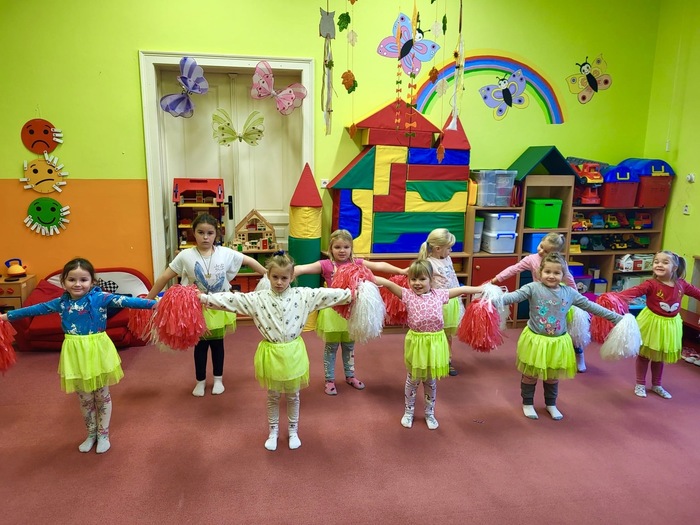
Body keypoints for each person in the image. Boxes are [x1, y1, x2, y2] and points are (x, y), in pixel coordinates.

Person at [0, 258, 156, 454]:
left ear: (92, 281)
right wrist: (5, 317)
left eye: (83, 279)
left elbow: (129, 301)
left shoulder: (101, 298)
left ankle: (103, 434)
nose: (77, 284)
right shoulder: (61, 302)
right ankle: (91, 434)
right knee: (84, 398)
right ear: (64, 282)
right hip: (74, 353)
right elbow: (34, 309)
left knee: (101, 395)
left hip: (98, 351)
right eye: (72, 279)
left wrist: (155, 304)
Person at [199, 252, 352, 451]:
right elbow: (233, 300)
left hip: (294, 354)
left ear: (292, 277)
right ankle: (273, 431)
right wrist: (204, 298)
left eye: (284, 278)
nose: (279, 282)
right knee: (273, 395)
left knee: (293, 395)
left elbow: (327, 295)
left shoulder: (303, 295)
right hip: (271, 354)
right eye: (275, 277)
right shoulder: (258, 298)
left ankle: (293, 431)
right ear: (268, 275)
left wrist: (351, 294)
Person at [147, 213, 266, 397]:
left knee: (217, 345)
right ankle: (200, 381)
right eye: (201, 232)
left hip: (218, 307)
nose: (205, 237)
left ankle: (218, 379)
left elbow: (249, 260)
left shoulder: (225, 253)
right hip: (196, 310)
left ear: (216, 234)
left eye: (210, 233)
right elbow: (164, 277)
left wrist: (269, 275)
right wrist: (149, 299)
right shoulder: (185, 256)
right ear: (193, 233)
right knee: (200, 346)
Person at [498, 253, 622, 421]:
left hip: (558, 342)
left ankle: (551, 404)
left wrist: (616, 318)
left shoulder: (569, 293)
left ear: (564, 275)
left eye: (556, 273)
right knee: (530, 374)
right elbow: (513, 297)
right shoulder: (532, 288)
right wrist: (491, 300)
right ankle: (527, 403)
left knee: (553, 376)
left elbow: (590, 306)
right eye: (547, 272)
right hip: (536, 340)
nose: (551, 276)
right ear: (540, 272)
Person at [294, 229, 407, 395]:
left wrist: (402, 271)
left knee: (349, 346)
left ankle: (350, 376)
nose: (342, 250)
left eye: (346, 247)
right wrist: (286, 274)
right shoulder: (326, 265)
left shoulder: (357, 264)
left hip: (351, 313)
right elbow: (302, 268)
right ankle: (329, 380)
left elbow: (379, 265)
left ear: (351, 248)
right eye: (337, 247)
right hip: (332, 314)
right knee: (331, 348)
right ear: (331, 248)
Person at [375, 260, 483, 430]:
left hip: (435, 343)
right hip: (417, 343)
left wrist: (481, 289)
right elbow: (387, 283)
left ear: (431, 280)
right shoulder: (407, 295)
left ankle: (429, 413)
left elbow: (462, 290)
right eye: (413, 279)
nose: (417, 283)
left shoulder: (440, 294)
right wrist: (364, 277)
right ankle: (409, 411)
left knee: (430, 380)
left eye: (422, 279)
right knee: (413, 379)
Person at [489, 232, 589, 373]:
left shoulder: (559, 263)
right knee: (542, 329)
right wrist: (496, 279)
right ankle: (541, 358)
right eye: (541, 246)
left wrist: (576, 298)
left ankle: (579, 354)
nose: (541, 251)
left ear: (555, 253)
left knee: (569, 330)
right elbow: (513, 269)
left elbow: (569, 280)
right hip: (541, 301)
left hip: (560, 301)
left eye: (546, 251)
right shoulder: (531, 259)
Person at [615, 251, 700, 399]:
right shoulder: (651, 284)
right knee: (644, 355)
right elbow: (634, 292)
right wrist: (614, 298)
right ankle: (640, 384)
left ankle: (657, 385)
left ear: (674, 268)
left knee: (659, 356)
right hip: (651, 323)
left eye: (665, 262)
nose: (659, 265)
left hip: (669, 325)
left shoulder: (682, 284)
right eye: (656, 262)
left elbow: (698, 294)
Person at [418, 228, 464, 376]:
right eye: (449, 248)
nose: (451, 251)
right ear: (438, 248)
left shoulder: (447, 258)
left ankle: (447, 360)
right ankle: (432, 360)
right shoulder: (428, 263)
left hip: (451, 303)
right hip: (437, 305)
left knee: (448, 334)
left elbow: (453, 279)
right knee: (435, 334)